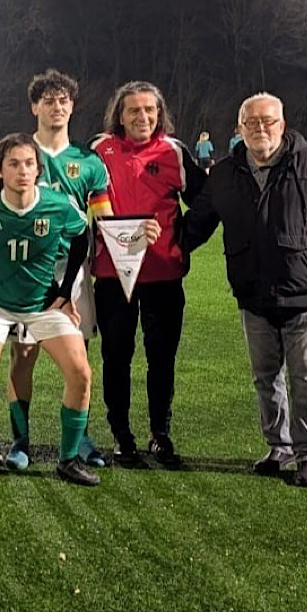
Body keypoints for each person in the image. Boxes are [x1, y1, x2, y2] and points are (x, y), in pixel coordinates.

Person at [182, 93, 307, 487]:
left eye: (268, 121)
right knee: (266, 377)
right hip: (253, 296)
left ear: (282, 124)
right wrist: (149, 243)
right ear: (239, 128)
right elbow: (195, 226)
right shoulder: (226, 174)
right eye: (251, 122)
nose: (260, 128)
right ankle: (277, 447)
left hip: (306, 296)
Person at [0, 134, 148, 492]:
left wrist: (63, 294)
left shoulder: (58, 204)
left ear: (38, 169)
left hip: (42, 304)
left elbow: (80, 238)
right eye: (13, 163)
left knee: (80, 371)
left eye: (29, 163)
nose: (22, 170)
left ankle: (68, 460)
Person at [4, 69, 113, 472]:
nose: (57, 106)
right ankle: (20, 439)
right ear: (35, 106)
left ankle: (79, 436)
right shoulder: (17, 152)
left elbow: (102, 218)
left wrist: (132, 239)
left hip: (74, 268)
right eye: (48, 100)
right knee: (24, 351)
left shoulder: (88, 161)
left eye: (64, 100)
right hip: (27, 268)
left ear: (73, 106)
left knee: (78, 352)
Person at [91, 81, 205, 467]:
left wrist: (182, 241)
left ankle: (161, 432)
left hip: (162, 276)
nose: (142, 117)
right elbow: (79, 204)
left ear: (160, 114)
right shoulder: (98, 151)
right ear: (119, 116)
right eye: (133, 111)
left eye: (149, 110)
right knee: (116, 356)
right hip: (111, 277)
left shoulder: (174, 151)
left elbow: (206, 202)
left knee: (162, 359)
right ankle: (121, 434)